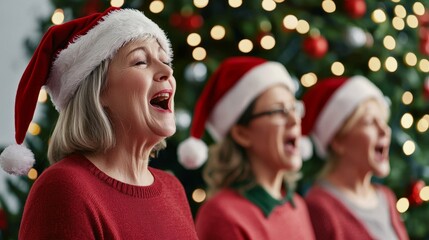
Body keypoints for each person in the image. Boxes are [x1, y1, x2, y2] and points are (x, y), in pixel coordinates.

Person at [0, 7, 198, 239]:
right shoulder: (65, 188)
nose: (166, 70)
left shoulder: (173, 190)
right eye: (140, 62)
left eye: (165, 60)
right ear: (98, 91)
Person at [178, 56, 315, 240]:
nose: (294, 120)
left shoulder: (297, 205)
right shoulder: (223, 215)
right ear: (242, 133)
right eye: (278, 111)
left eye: (294, 108)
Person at [301, 76, 409, 240]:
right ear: (337, 140)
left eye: (382, 121)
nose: (384, 130)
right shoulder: (319, 207)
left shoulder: (386, 197)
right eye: (369, 123)